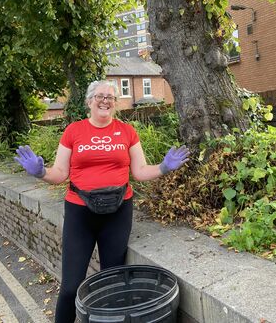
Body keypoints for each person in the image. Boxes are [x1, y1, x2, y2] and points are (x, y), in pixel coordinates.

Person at [14, 80, 189, 323]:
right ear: (89, 101)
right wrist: (40, 172)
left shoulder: (128, 132)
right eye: (99, 96)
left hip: (118, 213)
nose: (105, 100)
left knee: (112, 286)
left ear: (116, 103)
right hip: (79, 212)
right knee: (70, 287)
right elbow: (60, 174)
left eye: (110, 97)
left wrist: (163, 167)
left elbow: (139, 172)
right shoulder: (73, 131)